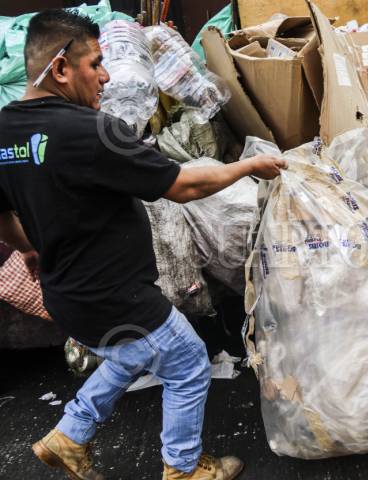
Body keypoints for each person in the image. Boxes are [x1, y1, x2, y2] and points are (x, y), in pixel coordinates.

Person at [0, 9, 287, 480]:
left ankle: (69, 436)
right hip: (118, 296)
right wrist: (248, 167)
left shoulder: (4, 131)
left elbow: (2, 215)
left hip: (66, 296)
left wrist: (29, 249)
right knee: (188, 363)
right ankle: (184, 469)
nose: (106, 76)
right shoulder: (91, 131)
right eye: (96, 64)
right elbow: (184, 186)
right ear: (61, 68)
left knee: (129, 354)